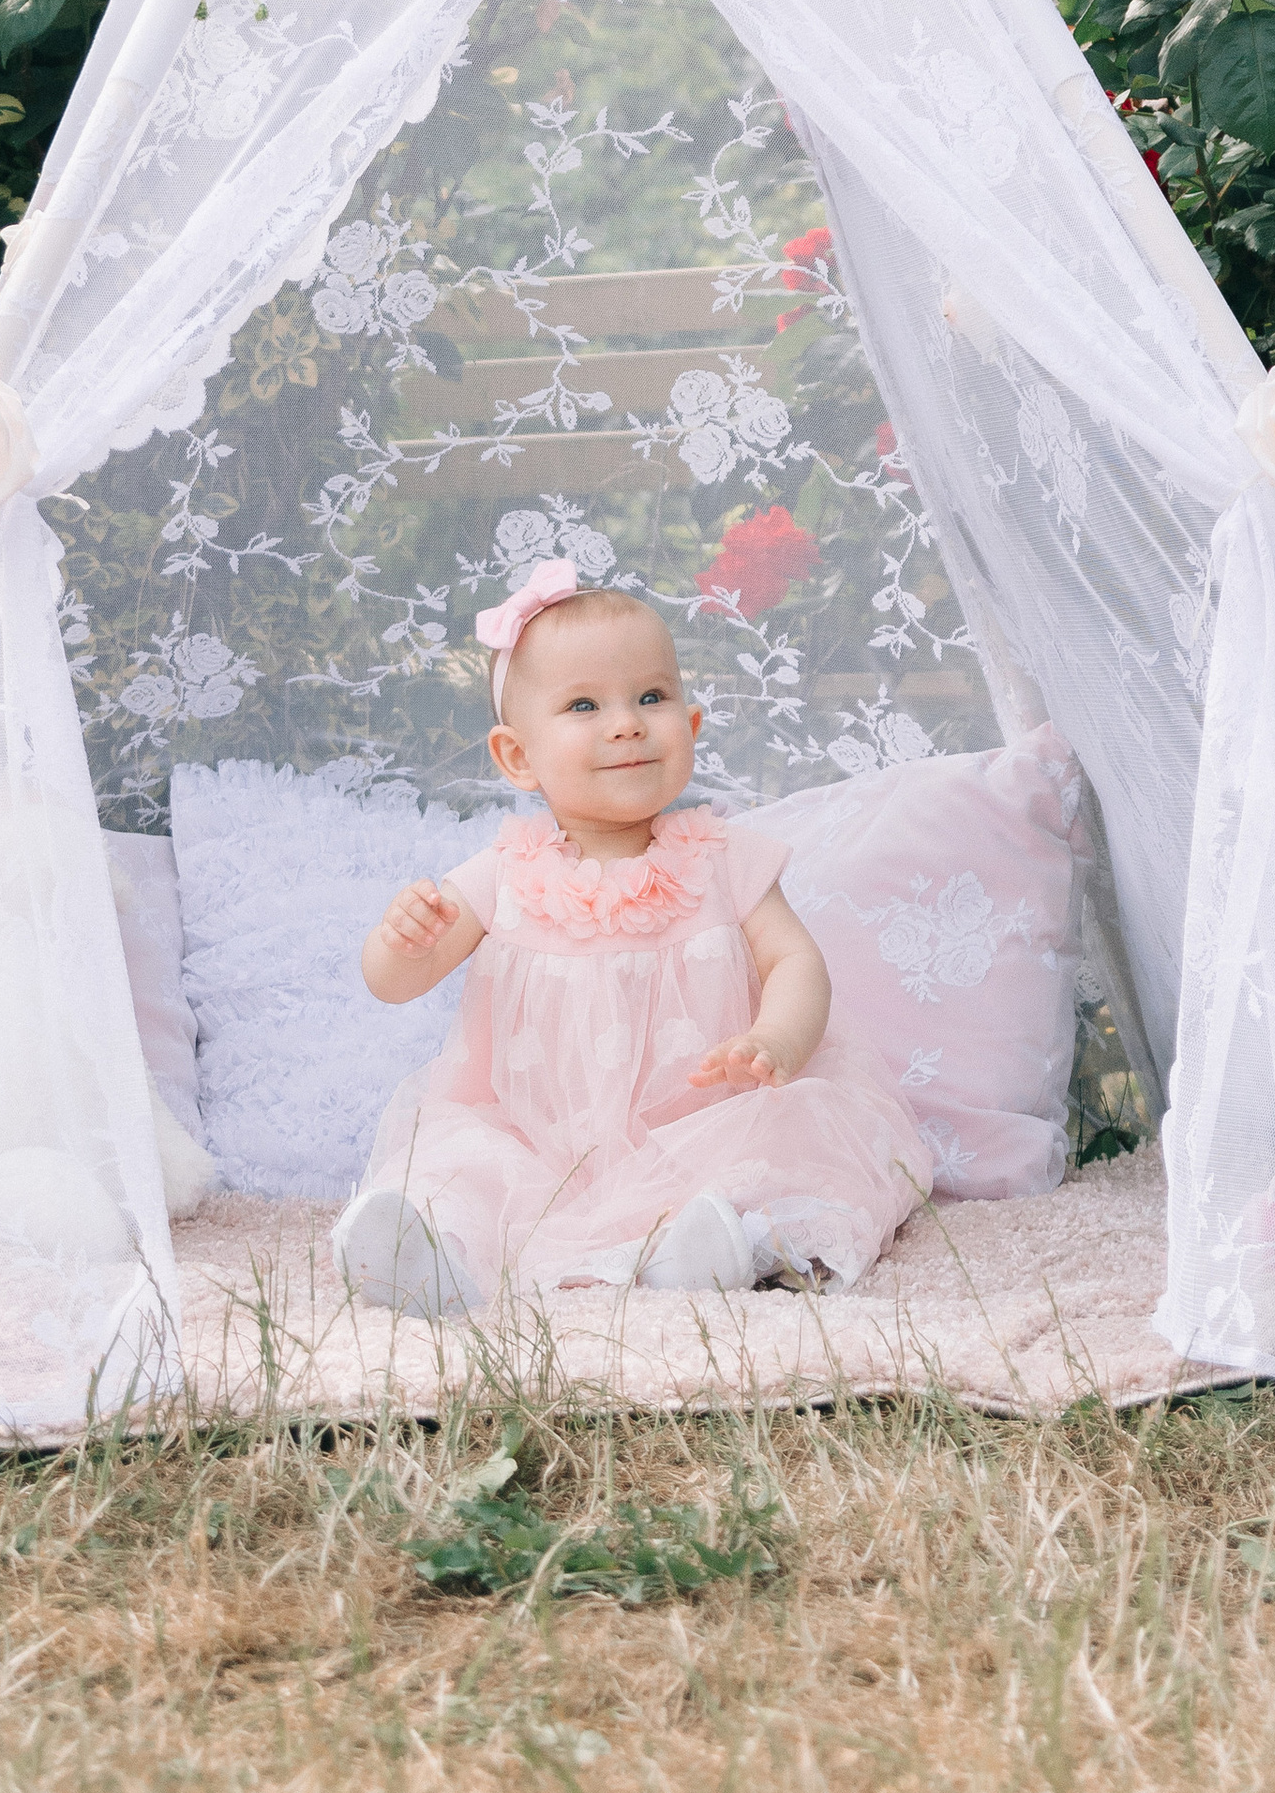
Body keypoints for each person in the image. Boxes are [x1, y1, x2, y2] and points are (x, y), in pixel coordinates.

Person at [331, 560, 933, 1313]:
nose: (626, 722)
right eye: (584, 705)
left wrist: (777, 1039)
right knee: (459, 1173)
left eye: (651, 696)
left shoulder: (723, 860)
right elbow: (395, 984)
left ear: (690, 725)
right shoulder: (503, 875)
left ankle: (703, 1254)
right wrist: (403, 941)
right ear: (518, 756)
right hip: (538, 1145)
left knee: (776, 1153)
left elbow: (794, 959)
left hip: (702, 1127)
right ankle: (434, 1263)